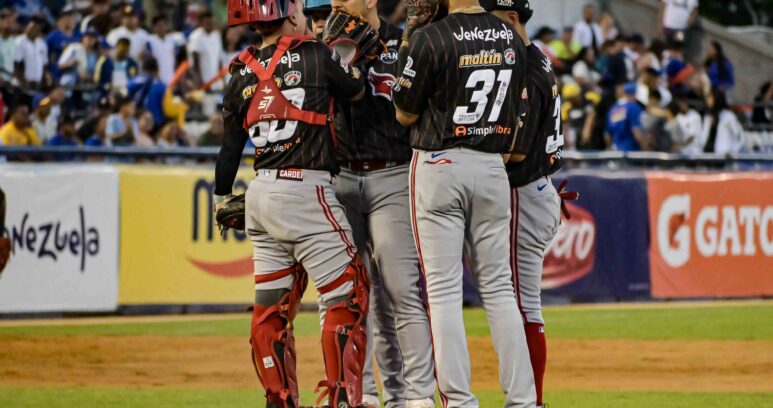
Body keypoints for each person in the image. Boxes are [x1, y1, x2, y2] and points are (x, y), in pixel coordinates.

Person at [215, 0, 370, 406]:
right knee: (348, 297)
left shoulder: (240, 70)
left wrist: (220, 200)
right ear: (287, 14)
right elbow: (357, 90)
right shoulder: (317, 54)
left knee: (269, 311)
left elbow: (229, 148)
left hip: (259, 194)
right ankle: (343, 399)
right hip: (305, 189)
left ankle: (279, 399)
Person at [392, 0, 535, 406]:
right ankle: (523, 399)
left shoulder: (430, 36)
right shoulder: (510, 34)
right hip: (491, 165)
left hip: (440, 161)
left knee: (442, 291)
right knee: (500, 289)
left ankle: (459, 401)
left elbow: (403, 113)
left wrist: (408, 41)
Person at [326, 1, 435, 407]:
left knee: (399, 290)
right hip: (341, 175)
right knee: (346, 294)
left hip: (392, 172)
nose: (336, 3)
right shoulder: (329, 44)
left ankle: (415, 395)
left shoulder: (404, 38)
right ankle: (359, 394)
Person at [482, 1, 572, 407]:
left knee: (521, 307)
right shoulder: (535, 58)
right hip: (538, 190)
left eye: (493, 17)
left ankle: (531, 401)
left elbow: (515, 153)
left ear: (513, 19)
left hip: (524, 192)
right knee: (519, 304)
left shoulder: (526, 68)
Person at [188, 10, 224, 91]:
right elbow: (195, 62)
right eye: (207, 22)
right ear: (201, 23)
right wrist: (199, 82)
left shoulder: (217, 35)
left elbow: (219, 60)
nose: (209, 24)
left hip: (216, 83)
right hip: (203, 83)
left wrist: (222, 79)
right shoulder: (196, 36)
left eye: (211, 21)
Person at [702, 88, 744, 154]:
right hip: (706, 155)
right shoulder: (707, 117)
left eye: (710, 98)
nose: (708, 101)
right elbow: (702, 136)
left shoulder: (728, 116)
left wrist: (732, 152)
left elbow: (739, 136)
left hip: (723, 156)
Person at [605, 82, 645, 151]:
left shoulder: (613, 108)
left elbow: (607, 135)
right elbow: (637, 132)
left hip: (615, 151)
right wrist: (645, 149)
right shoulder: (633, 107)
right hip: (631, 152)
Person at [128, 58, 167, 128]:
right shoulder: (162, 87)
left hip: (136, 122)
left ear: (143, 69)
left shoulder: (134, 81)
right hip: (157, 125)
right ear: (157, 70)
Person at [146, 15, 184, 84]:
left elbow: (175, 58)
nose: (162, 28)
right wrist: (155, 76)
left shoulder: (171, 39)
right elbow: (150, 60)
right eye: (159, 26)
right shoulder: (150, 40)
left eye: (164, 25)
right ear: (154, 27)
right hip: (157, 78)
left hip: (171, 77)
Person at [14, 16, 48, 91]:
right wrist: (22, 80)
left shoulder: (42, 43)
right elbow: (16, 64)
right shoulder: (19, 42)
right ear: (26, 28)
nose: (33, 31)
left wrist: (46, 77)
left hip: (37, 83)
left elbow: (44, 64)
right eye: (31, 28)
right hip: (22, 83)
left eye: (36, 29)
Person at [45, 8, 81, 80]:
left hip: (76, 74)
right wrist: (47, 73)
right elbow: (45, 56)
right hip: (58, 73)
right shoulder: (52, 37)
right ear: (61, 20)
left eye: (72, 17)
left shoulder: (79, 35)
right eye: (68, 17)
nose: (71, 20)